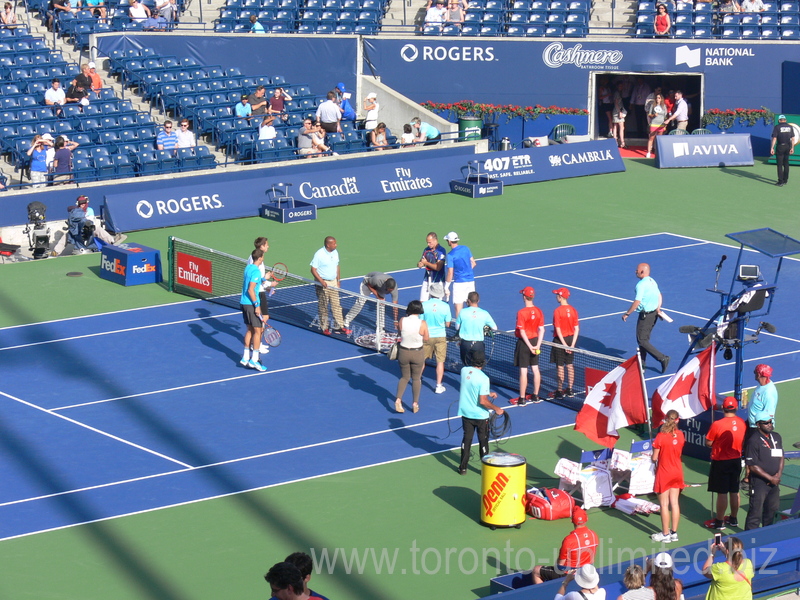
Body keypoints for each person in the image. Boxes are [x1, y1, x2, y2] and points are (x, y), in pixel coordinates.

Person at [456, 356, 504, 475]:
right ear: (482, 365)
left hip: (466, 413)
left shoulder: (464, 371)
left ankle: (463, 468)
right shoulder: (484, 378)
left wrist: (488, 393)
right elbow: (482, 401)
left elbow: (473, 387)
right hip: (480, 416)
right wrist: (496, 408)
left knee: (467, 440)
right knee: (483, 441)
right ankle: (485, 470)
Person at [704, 396, 746, 530]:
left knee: (722, 492)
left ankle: (719, 521)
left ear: (723, 408)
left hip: (721, 462)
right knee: (734, 490)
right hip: (736, 460)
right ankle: (733, 518)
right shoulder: (741, 422)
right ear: (736, 408)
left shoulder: (717, 424)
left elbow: (708, 442)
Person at [529, 508, 599, 585]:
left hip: (569, 574)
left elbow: (560, 565)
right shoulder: (593, 535)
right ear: (587, 519)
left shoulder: (569, 540)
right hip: (586, 572)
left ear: (572, 520)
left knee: (536, 570)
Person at [622, 263, 670, 374]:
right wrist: (658, 309)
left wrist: (627, 313)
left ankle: (662, 358)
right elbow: (659, 295)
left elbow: (637, 301)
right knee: (644, 339)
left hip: (646, 316)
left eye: (637, 270)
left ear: (642, 272)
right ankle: (642, 364)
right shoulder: (652, 281)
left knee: (642, 340)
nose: (635, 272)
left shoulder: (641, 285)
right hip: (653, 315)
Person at [651, 410, 685, 543]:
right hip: (677, 472)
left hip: (664, 473)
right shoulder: (681, 435)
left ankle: (665, 534)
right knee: (675, 503)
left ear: (665, 419)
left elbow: (654, 458)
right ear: (677, 420)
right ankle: (674, 533)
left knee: (664, 505)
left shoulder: (660, 436)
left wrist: (652, 455)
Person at [744, 418, 784, 529]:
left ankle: (768, 535)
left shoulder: (776, 436)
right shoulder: (753, 441)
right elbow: (752, 466)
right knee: (755, 513)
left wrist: (778, 475)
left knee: (772, 510)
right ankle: (749, 539)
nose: (769, 424)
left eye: (771, 422)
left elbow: (781, 456)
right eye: (766, 423)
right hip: (759, 482)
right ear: (758, 425)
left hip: (774, 482)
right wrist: (770, 478)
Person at [511, 286, 545, 406]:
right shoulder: (539, 311)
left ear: (524, 297)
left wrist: (530, 346)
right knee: (535, 369)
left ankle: (522, 398)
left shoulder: (521, 313)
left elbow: (522, 331)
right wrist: (537, 345)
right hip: (535, 341)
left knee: (523, 371)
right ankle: (535, 395)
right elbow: (541, 329)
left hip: (524, 343)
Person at [394, 300, 429, 414]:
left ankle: (398, 400)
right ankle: (415, 403)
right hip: (417, 353)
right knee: (416, 378)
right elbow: (426, 338)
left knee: (404, 377)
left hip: (403, 352)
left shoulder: (402, 320)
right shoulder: (422, 323)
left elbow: (399, 333)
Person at [310, 236, 349, 336]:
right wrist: (321, 281)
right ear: (328, 245)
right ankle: (324, 328)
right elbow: (313, 270)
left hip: (333, 282)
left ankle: (340, 326)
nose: (336, 245)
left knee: (336, 305)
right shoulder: (319, 254)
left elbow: (337, 266)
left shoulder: (335, 252)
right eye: (334, 243)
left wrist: (338, 280)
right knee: (323, 306)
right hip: (323, 284)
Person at [421, 282, 451, 395]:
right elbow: (448, 324)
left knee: (422, 360)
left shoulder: (424, 305)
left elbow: (421, 321)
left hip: (426, 336)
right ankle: (438, 386)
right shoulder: (445, 306)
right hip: (440, 336)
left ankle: (417, 380)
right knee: (440, 362)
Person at [240, 248, 267, 372]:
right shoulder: (256, 271)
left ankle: (245, 357)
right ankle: (254, 360)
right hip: (251, 304)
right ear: (260, 258)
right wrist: (257, 305)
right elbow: (251, 289)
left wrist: (266, 281)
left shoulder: (249, 267)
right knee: (258, 330)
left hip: (243, 303)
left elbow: (254, 280)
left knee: (250, 329)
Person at [455, 291, 497, 367]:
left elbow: (457, 327)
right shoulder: (484, 313)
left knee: (467, 367)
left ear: (468, 301)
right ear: (478, 301)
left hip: (465, 344)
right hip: (478, 345)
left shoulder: (462, 312)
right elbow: (494, 328)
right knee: (478, 367)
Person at [551, 287, 579, 399]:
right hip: (571, 339)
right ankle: (570, 389)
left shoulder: (557, 311)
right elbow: (576, 329)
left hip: (560, 341)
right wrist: (571, 345)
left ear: (561, 297)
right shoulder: (573, 310)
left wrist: (563, 345)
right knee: (570, 365)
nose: (556, 296)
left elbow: (557, 330)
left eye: (557, 294)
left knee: (560, 366)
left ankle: (559, 390)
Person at [247, 236, 277, 333]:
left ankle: (255, 342)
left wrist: (266, 287)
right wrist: (269, 283)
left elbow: (257, 278)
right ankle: (257, 342)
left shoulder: (254, 257)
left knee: (257, 320)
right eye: (266, 245)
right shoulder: (256, 260)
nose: (268, 246)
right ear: (262, 246)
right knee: (264, 317)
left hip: (258, 289)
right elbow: (256, 278)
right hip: (257, 292)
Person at [443, 231, 476, 317]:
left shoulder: (450, 255)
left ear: (450, 241)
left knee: (458, 308)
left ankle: (459, 328)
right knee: (472, 306)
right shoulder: (466, 248)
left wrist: (446, 287)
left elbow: (450, 272)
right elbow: (473, 263)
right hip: (470, 281)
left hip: (459, 284)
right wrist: (466, 271)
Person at [418, 231, 446, 301]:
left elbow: (438, 267)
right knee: (422, 303)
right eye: (427, 242)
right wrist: (420, 264)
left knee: (438, 304)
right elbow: (421, 261)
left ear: (435, 240)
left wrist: (426, 263)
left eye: (430, 242)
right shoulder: (426, 249)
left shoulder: (441, 251)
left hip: (438, 281)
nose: (428, 244)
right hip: (427, 280)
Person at [770, 114, 795, 187]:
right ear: (785, 120)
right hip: (787, 146)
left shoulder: (777, 127)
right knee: (786, 163)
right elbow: (793, 138)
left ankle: (780, 181)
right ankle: (785, 180)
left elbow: (774, 138)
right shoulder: (790, 127)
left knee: (780, 165)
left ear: (779, 120)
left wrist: (772, 148)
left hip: (780, 146)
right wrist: (792, 148)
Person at [646, 92, 668, 159]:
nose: (657, 99)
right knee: (651, 138)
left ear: (661, 99)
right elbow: (649, 114)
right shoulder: (653, 105)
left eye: (659, 98)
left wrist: (665, 125)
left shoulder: (664, 106)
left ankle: (657, 152)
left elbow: (665, 116)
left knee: (659, 139)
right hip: (654, 123)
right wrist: (653, 115)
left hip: (661, 125)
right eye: (656, 98)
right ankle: (649, 152)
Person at [612, 81, 627, 149]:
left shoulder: (618, 93)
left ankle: (615, 141)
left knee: (616, 126)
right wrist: (620, 112)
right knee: (621, 127)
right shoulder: (617, 93)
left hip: (616, 111)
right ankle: (622, 142)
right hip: (617, 112)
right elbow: (616, 103)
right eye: (620, 86)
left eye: (622, 86)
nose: (621, 87)